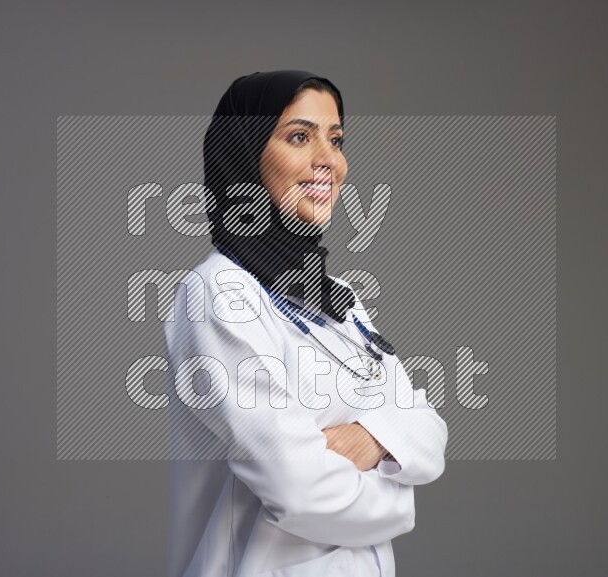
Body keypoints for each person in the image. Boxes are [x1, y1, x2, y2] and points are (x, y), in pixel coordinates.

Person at [165, 70, 448, 577]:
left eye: (336, 140)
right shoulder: (218, 293)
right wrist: (399, 495)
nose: (329, 161)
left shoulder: (337, 298)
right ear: (245, 155)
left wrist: (368, 437)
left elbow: (428, 432)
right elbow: (299, 490)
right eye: (299, 137)